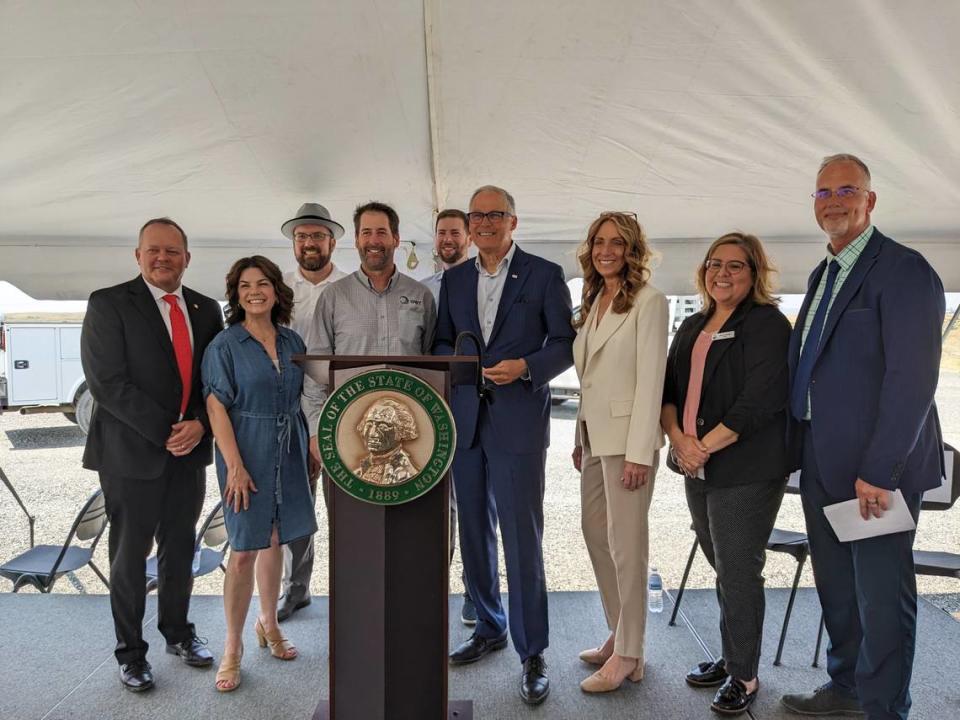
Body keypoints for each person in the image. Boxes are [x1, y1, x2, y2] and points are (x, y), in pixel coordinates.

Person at [780, 154, 945, 720]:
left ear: (870, 200)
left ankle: (882, 710)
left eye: (847, 189)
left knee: (881, 598)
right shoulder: (823, 274)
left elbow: (913, 380)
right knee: (839, 592)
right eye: (823, 192)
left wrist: (880, 471)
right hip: (822, 464)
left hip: (875, 474)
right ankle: (846, 688)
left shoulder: (904, 270)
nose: (833, 200)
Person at [434, 185, 575, 706]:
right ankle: (488, 626)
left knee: (521, 537)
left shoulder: (543, 274)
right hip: (466, 421)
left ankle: (532, 650)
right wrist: (458, 363)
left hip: (518, 421)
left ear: (514, 222)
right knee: (473, 530)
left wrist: (527, 368)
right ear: (468, 226)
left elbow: (564, 343)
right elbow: (441, 344)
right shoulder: (454, 280)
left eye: (495, 215)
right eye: (477, 216)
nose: (485, 223)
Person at [80, 217, 223, 693]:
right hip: (130, 455)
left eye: (173, 251)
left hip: (189, 452)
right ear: (138, 256)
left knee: (181, 549)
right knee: (128, 556)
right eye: (153, 250)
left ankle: (179, 634)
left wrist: (201, 422)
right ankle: (131, 653)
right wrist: (168, 431)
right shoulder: (109, 304)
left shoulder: (206, 310)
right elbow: (107, 383)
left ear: (187, 257)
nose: (163, 258)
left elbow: (213, 379)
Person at [661, 232, 791, 715]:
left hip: (746, 467)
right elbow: (669, 390)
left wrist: (701, 447)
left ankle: (745, 676)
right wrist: (679, 441)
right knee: (722, 563)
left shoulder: (766, 324)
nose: (723, 273)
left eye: (736, 266)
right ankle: (734, 655)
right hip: (697, 462)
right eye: (716, 264)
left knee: (738, 570)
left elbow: (759, 400)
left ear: (754, 273)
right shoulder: (693, 325)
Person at [202, 255, 318, 692]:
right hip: (244, 447)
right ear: (236, 294)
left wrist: (308, 443)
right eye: (246, 285)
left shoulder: (291, 341)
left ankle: (268, 623)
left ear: (276, 290)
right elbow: (216, 405)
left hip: (288, 447)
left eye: (263, 283)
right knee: (245, 548)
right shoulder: (224, 345)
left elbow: (304, 394)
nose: (255, 291)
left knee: (278, 540)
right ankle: (232, 647)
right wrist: (234, 465)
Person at [569, 212, 668, 694]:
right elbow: (589, 375)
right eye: (599, 242)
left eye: (617, 243)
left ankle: (630, 653)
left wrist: (639, 454)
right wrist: (578, 435)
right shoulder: (595, 300)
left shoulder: (649, 302)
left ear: (632, 250)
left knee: (629, 548)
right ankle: (619, 632)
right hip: (594, 437)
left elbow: (651, 379)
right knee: (594, 531)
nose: (607, 250)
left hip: (629, 442)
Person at [277, 202, 347, 623]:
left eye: (317, 236)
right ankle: (296, 589)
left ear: (332, 242)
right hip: (288, 409)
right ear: (294, 243)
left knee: (343, 506)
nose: (309, 243)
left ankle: (348, 586)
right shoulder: (279, 288)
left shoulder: (348, 286)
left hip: (336, 409)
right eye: (302, 237)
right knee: (296, 504)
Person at [422, 208, 478, 627]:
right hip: (426, 409)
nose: (448, 239)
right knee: (435, 508)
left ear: (470, 238)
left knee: (472, 505)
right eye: (442, 233)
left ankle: (474, 591)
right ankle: (433, 588)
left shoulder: (482, 284)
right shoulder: (422, 290)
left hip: (470, 408)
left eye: (455, 233)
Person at [310, 200, 436, 368]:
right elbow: (318, 363)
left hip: (404, 395)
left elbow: (431, 362)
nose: (373, 240)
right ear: (356, 240)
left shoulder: (421, 295)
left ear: (396, 239)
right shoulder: (333, 296)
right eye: (366, 232)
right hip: (352, 395)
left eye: (381, 232)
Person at [352, 397, 421, 484]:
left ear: (401, 431)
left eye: (383, 427)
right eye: (369, 424)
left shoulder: (407, 475)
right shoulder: (358, 472)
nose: (372, 434)